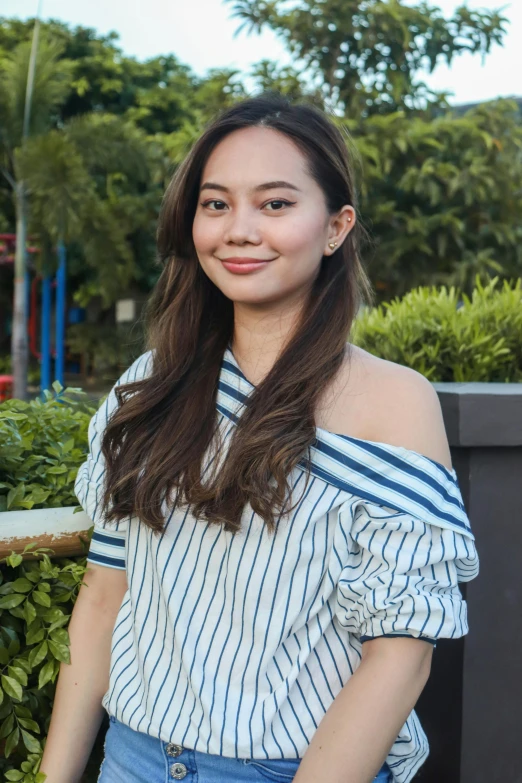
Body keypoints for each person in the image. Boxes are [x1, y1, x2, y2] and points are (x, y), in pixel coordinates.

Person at [39, 93, 479, 783]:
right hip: (131, 758)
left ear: (336, 227)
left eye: (275, 204)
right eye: (216, 204)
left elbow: (401, 653)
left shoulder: (393, 402)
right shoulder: (154, 383)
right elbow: (102, 599)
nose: (239, 229)